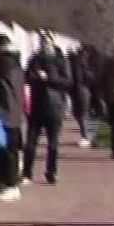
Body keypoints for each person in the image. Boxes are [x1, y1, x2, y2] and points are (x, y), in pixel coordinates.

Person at [23, 32, 72, 185]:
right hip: (37, 105)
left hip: (54, 105)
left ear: (52, 42)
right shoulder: (34, 59)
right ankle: (26, 173)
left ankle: (51, 172)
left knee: (53, 143)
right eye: (42, 40)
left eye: (47, 40)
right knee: (30, 143)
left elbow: (68, 81)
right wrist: (35, 77)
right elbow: (26, 77)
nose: (44, 43)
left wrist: (49, 78)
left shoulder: (61, 60)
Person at [0, 34, 26, 201]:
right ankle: (12, 182)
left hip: (4, 112)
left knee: (5, 152)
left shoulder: (1, 65)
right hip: (14, 111)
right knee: (12, 150)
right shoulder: (15, 63)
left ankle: (10, 184)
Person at [68, 47, 92, 148]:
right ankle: (86, 135)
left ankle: (86, 137)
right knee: (81, 114)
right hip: (82, 90)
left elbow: (78, 78)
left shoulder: (77, 63)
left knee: (81, 114)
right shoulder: (83, 64)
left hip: (79, 90)